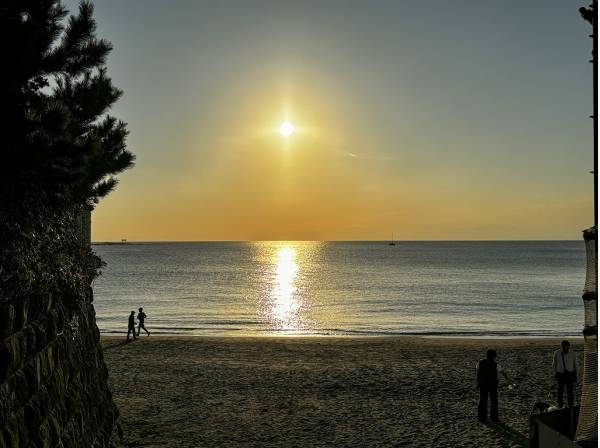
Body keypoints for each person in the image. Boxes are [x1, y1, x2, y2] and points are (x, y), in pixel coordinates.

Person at [476, 349, 515, 423]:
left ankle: (482, 418)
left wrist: (478, 383)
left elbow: (478, 374)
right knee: (494, 402)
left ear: (486, 355)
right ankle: (494, 418)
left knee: (482, 401)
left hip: (483, 384)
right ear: (494, 357)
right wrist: (509, 381)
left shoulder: (480, 363)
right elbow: (503, 373)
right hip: (492, 385)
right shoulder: (496, 365)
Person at [552, 340, 577, 408]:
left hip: (569, 375)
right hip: (560, 375)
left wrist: (575, 375)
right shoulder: (556, 353)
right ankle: (560, 406)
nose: (565, 349)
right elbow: (554, 364)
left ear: (569, 347)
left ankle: (571, 406)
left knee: (570, 393)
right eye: (564, 347)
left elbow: (575, 365)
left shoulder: (573, 353)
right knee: (560, 392)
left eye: (567, 347)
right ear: (561, 346)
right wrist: (555, 373)